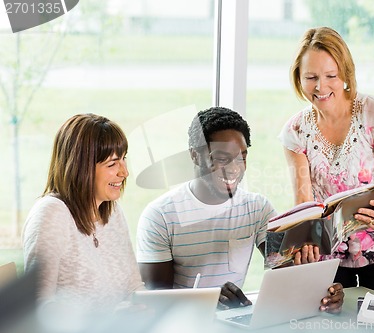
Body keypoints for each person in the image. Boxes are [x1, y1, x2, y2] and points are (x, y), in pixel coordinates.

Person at [136, 106, 343, 313]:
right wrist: (205, 302)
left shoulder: (257, 209)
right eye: (222, 158)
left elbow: (285, 272)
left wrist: (323, 293)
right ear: (195, 156)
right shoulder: (160, 216)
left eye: (241, 157)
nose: (234, 168)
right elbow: (156, 302)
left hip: (232, 320)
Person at [279, 27, 374, 297]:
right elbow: (304, 206)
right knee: (326, 323)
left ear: (345, 74)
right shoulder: (295, 131)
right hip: (329, 256)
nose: (321, 87)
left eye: (331, 76)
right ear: (298, 77)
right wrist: (300, 240)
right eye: (311, 77)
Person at [23, 113, 145, 314]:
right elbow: (37, 307)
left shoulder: (113, 211)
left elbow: (134, 287)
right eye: (112, 164)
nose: (124, 172)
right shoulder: (51, 214)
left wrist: (150, 307)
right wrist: (111, 321)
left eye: (123, 159)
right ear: (82, 168)